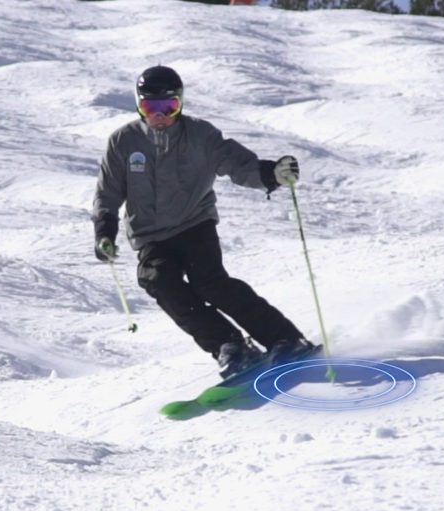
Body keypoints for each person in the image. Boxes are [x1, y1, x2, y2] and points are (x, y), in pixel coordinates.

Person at [92, 65, 314, 377]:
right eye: (149, 106)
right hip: (151, 236)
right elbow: (108, 192)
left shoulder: (200, 135)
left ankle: (285, 340)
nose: (159, 115)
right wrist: (105, 231)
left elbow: (236, 162)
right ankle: (230, 346)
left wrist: (269, 174)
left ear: (179, 104)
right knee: (159, 282)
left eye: (168, 106)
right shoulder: (123, 142)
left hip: (194, 224)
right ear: (139, 106)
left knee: (209, 282)